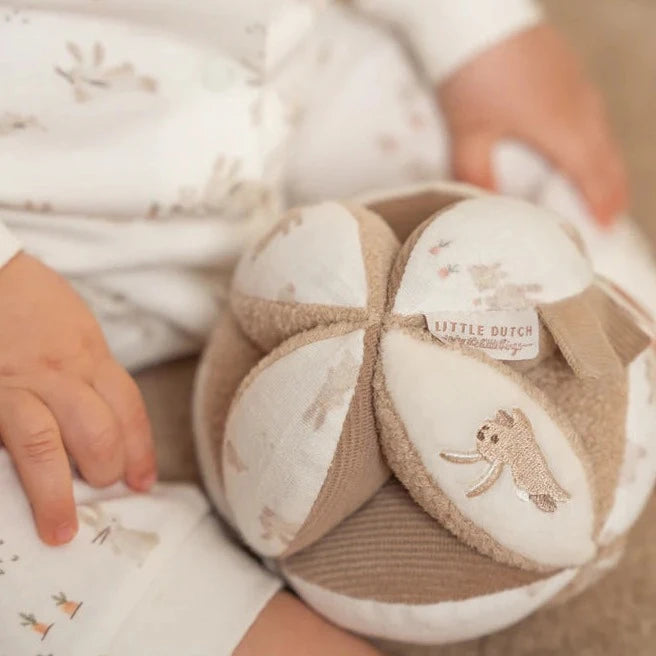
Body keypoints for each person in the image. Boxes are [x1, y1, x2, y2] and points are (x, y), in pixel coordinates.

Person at [0, 1, 631, 653]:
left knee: (531, 176)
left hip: (269, 70)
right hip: (34, 229)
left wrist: (478, 34)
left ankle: (617, 379)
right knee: (38, 546)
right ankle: (172, 610)